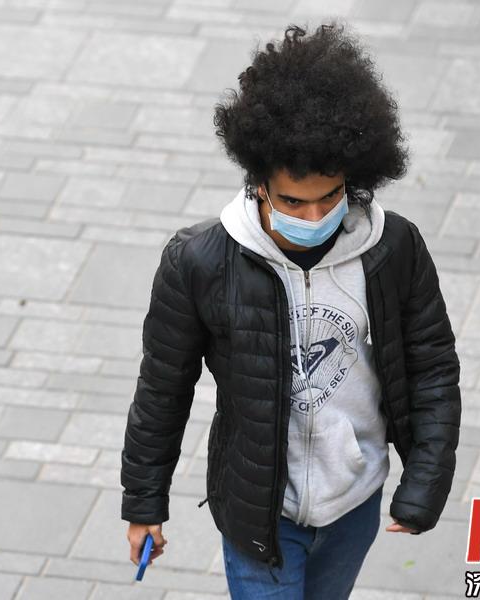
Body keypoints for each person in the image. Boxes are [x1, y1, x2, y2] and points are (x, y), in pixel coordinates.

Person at [121, 20, 461, 599]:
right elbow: (162, 388)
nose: (313, 217)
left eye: (329, 197)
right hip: (260, 515)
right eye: (293, 202)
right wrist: (144, 503)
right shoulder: (199, 262)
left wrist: (424, 485)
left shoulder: (394, 249)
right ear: (258, 182)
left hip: (353, 504)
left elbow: (432, 368)